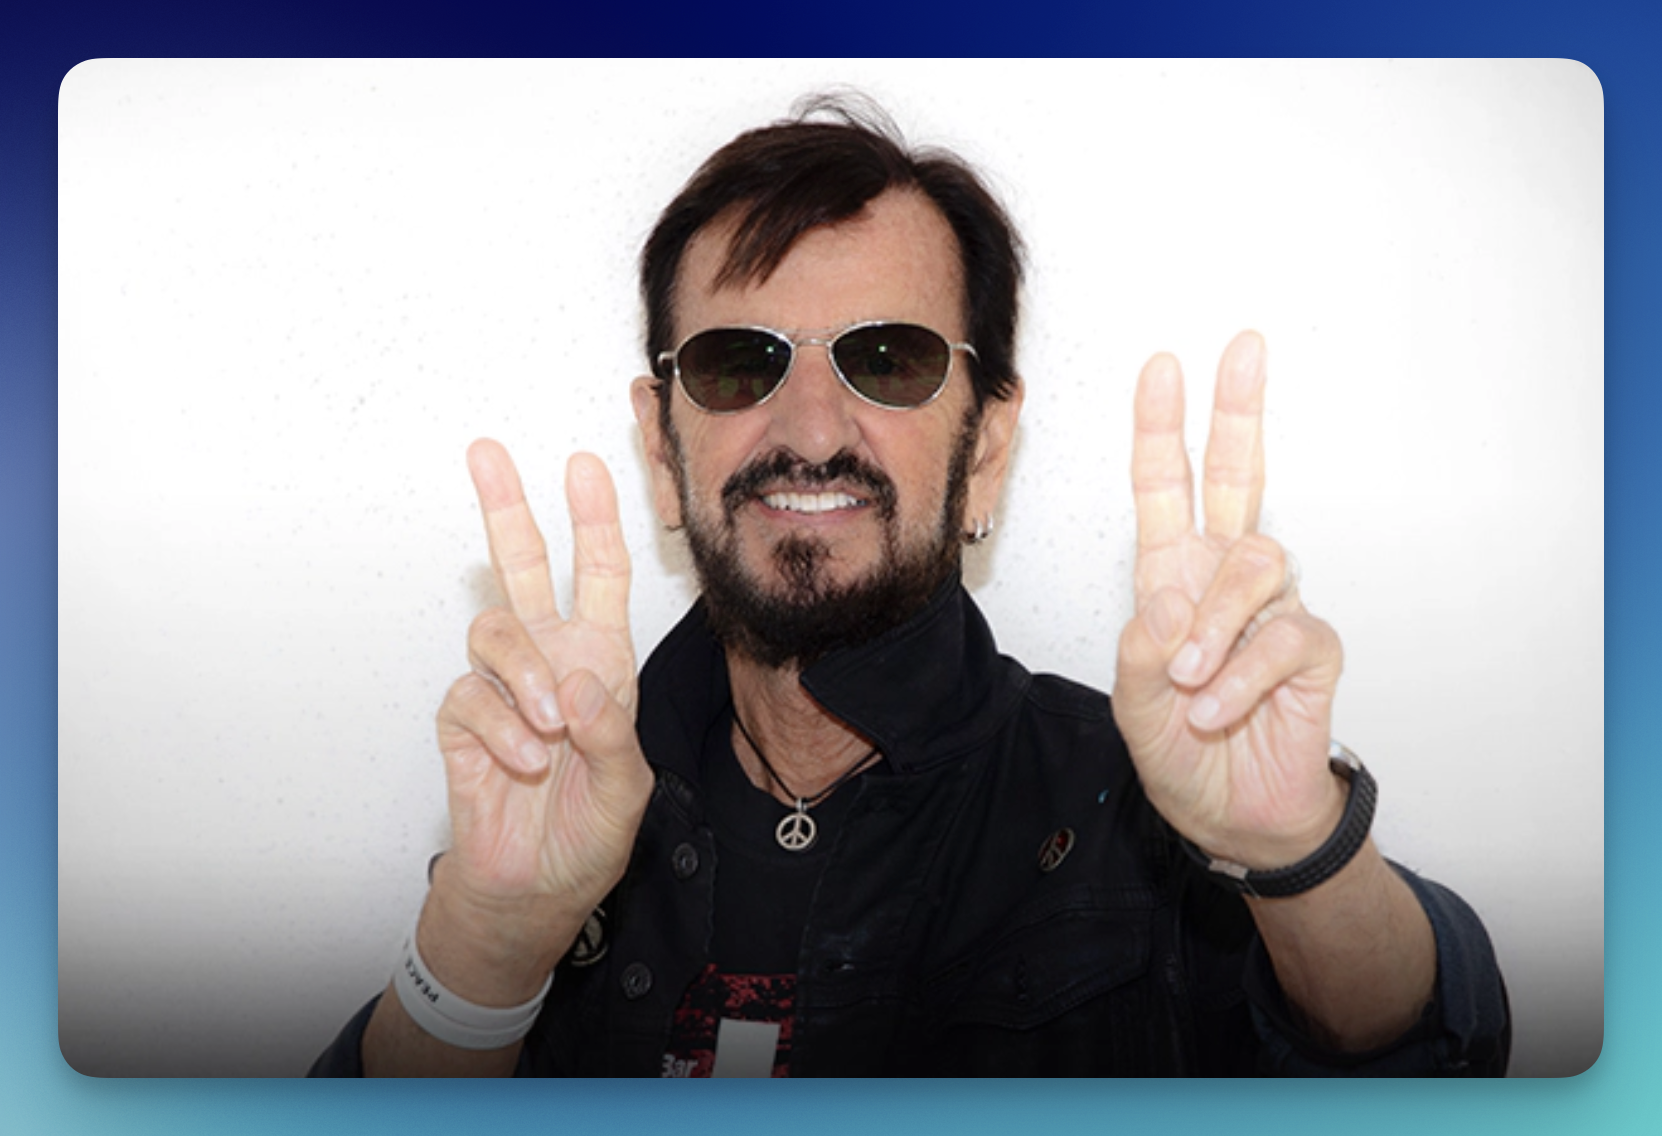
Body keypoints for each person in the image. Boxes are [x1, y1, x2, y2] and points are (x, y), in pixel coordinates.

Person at [311, 96, 1509, 1077]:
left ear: (986, 447)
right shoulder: (560, 804)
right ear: (663, 447)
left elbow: (1431, 1058)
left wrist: (1297, 851)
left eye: (888, 359)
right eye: (738, 362)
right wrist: (485, 948)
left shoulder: (1138, 803)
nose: (811, 428)